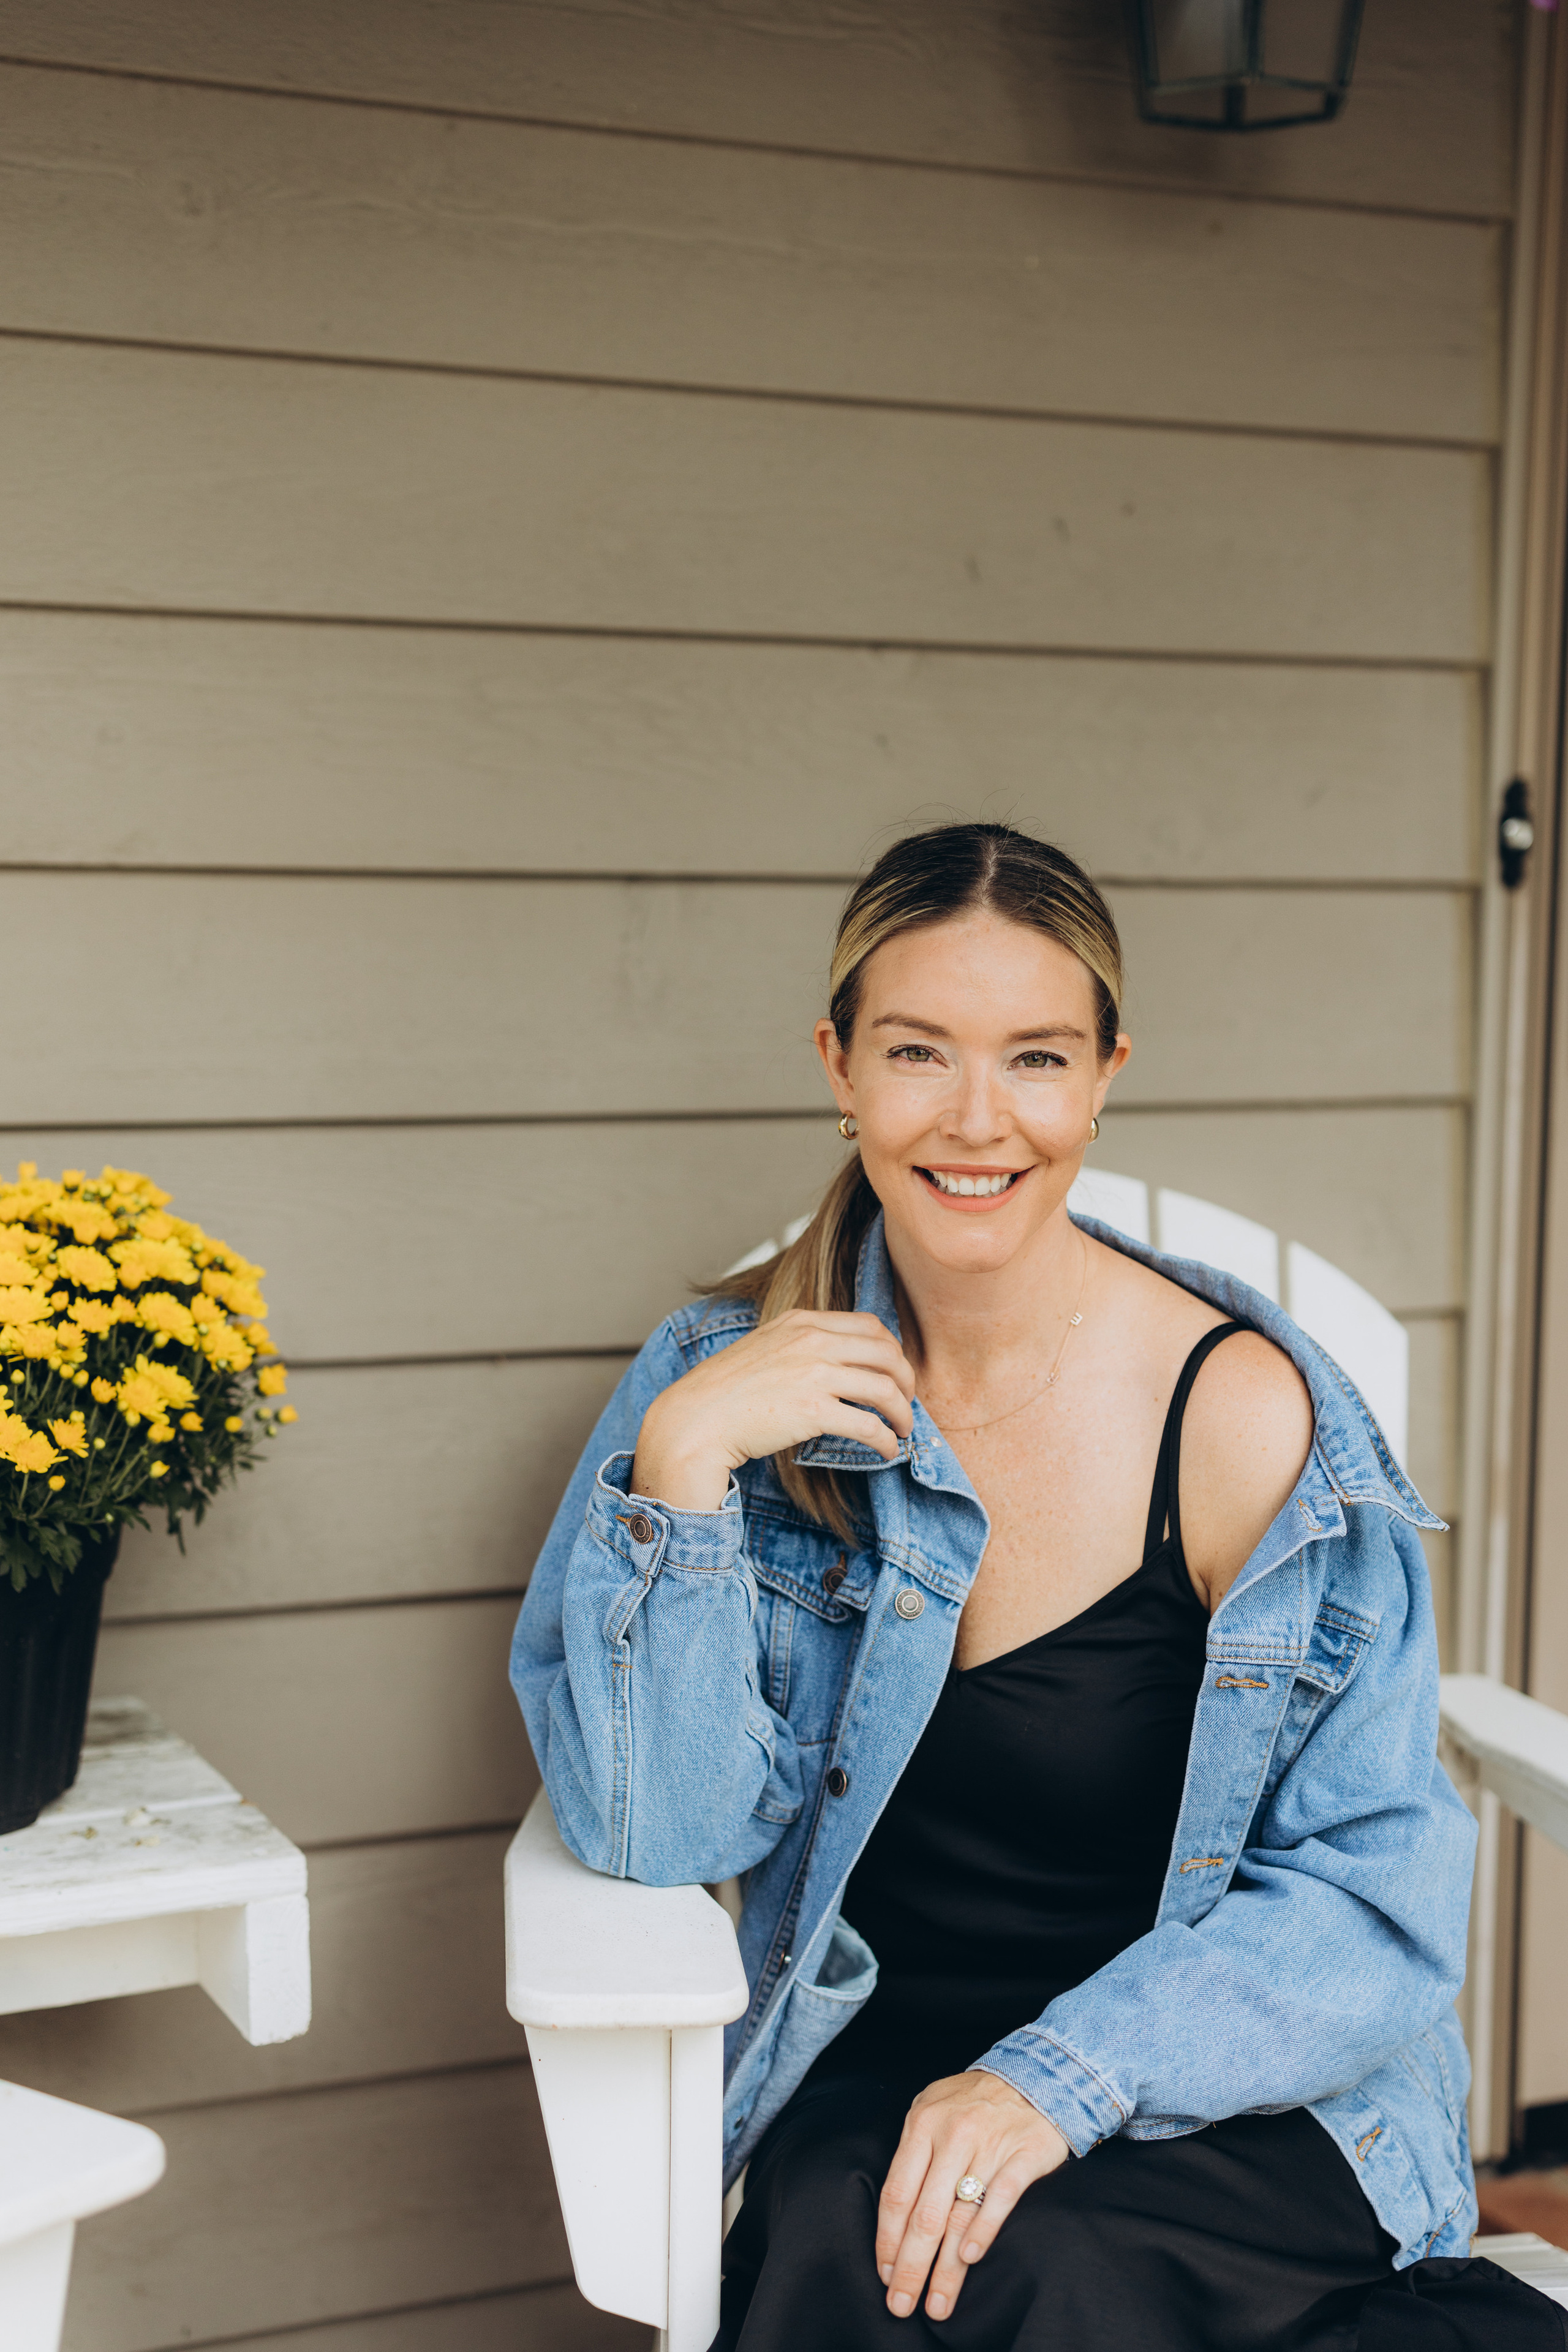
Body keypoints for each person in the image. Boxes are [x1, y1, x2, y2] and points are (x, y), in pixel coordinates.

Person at [512, 822, 1477, 2350]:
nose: (977, 1118)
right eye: (916, 1052)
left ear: (1102, 1075)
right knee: (883, 2238)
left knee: (1020, 2274)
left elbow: (1378, 1900)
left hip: (1212, 2089)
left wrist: (1059, 2079)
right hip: (881, 2087)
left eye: (1034, 1058)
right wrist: (683, 1468)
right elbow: (656, 1832)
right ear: (837, 1067)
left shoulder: (1238, 1419)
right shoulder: (709, 1394)